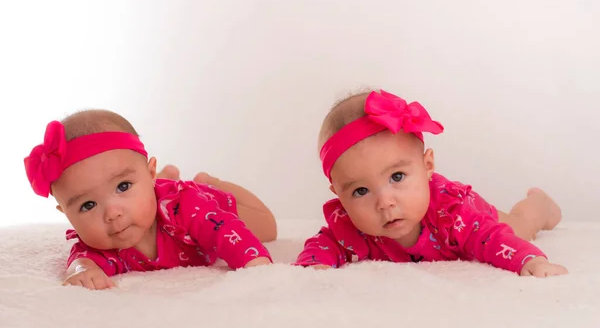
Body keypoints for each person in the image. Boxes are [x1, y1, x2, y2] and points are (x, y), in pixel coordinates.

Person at [294, 89, 567, 277]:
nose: (384, 202)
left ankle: (540, 205)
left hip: (475, 216)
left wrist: (530, 261)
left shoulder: (453, 214)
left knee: (519, 226)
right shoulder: (351, 225)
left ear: (427, 167)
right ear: (339, 195)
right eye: (360, 191)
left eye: (397, 177)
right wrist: (313, 269)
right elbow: (325, 244)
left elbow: (492, 239)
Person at [24, 109, 276, 290]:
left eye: (123, 186)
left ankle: (207, 181)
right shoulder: (101, 244)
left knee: (267, 227)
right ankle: (161, 180)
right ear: (66, 214)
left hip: (208, 204)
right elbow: (81, 261)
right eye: (87, 205)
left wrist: (254, 265)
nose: (112, 213)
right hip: (154, 192)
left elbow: (229, 233)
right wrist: (81, 271)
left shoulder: (186, 207)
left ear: (149, 171)